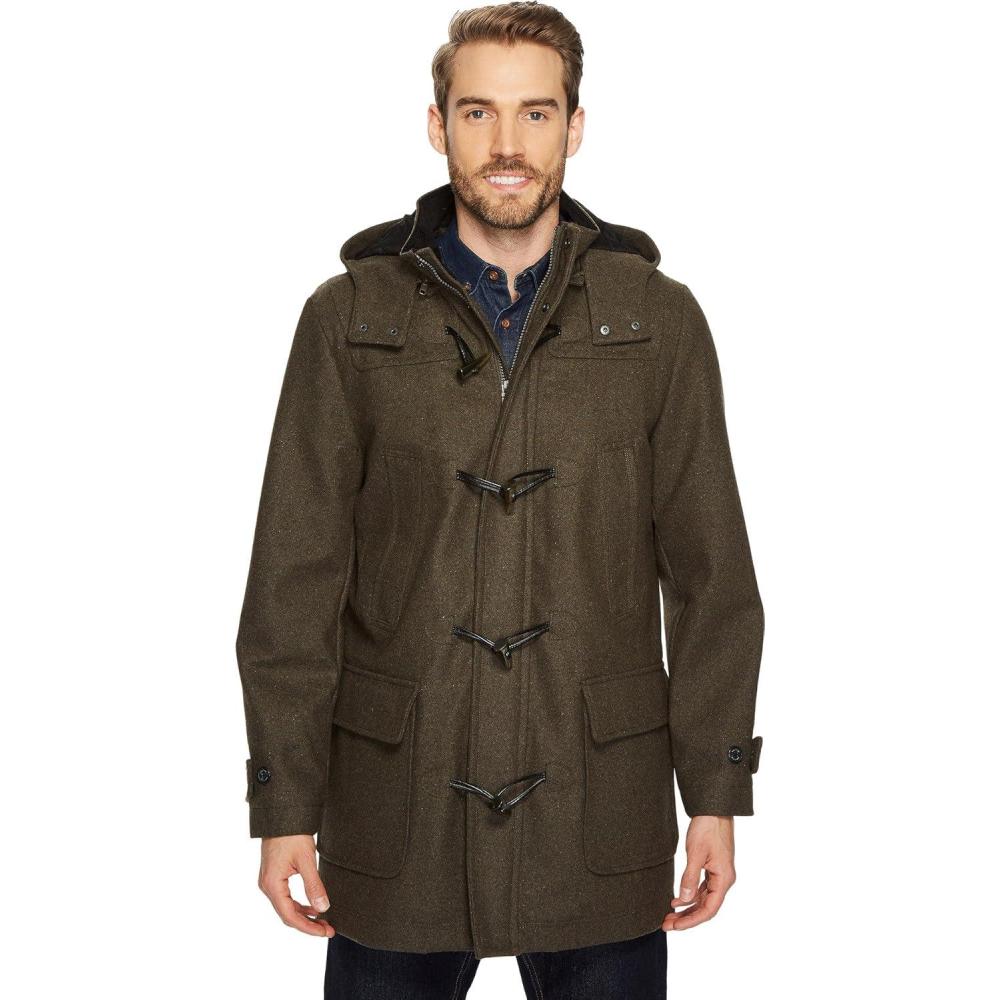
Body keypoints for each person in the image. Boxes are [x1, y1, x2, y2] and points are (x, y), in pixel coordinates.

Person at [235, 3, 765, 997]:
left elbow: (712, 579)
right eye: (479, 113)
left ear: (575, 126)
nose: (507, 144)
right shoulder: (348, 319)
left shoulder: (656, 321)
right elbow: (292, 583)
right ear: (438, 126)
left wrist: (716, 791)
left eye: (536, 112)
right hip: (398, 808)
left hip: (597, 804)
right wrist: (284, 803)